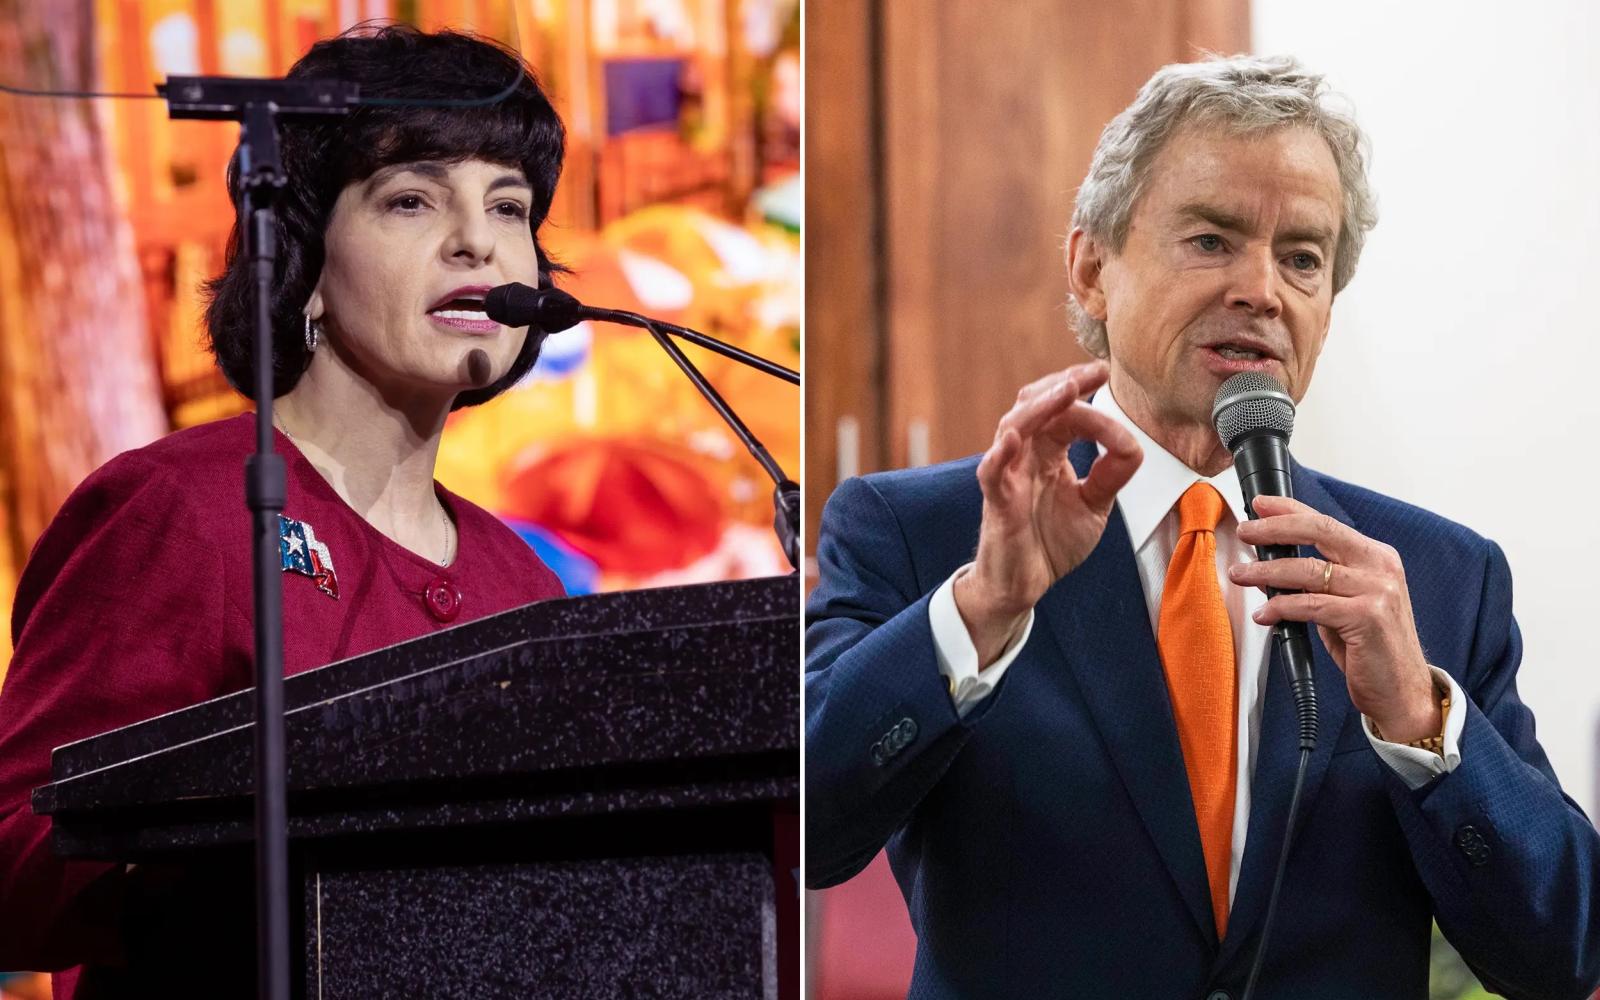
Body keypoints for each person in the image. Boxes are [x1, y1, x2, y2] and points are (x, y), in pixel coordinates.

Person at [805, 55, 1600, 998]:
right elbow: (809, 828)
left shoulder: (1435, 579)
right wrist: (982, 608)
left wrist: (1420, 724)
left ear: (1326, 309)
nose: (1262, 290)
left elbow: (1563, 954)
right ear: (1093, 268)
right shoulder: (924, 534)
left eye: (1302, 258)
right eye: (1213, 240)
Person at [0, 25, 568, 997]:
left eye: (507, 204)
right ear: (300, 261)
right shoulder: (184, 510)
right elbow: (15, 859)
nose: (477, 238)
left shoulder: (523, 580)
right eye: (411, 198)